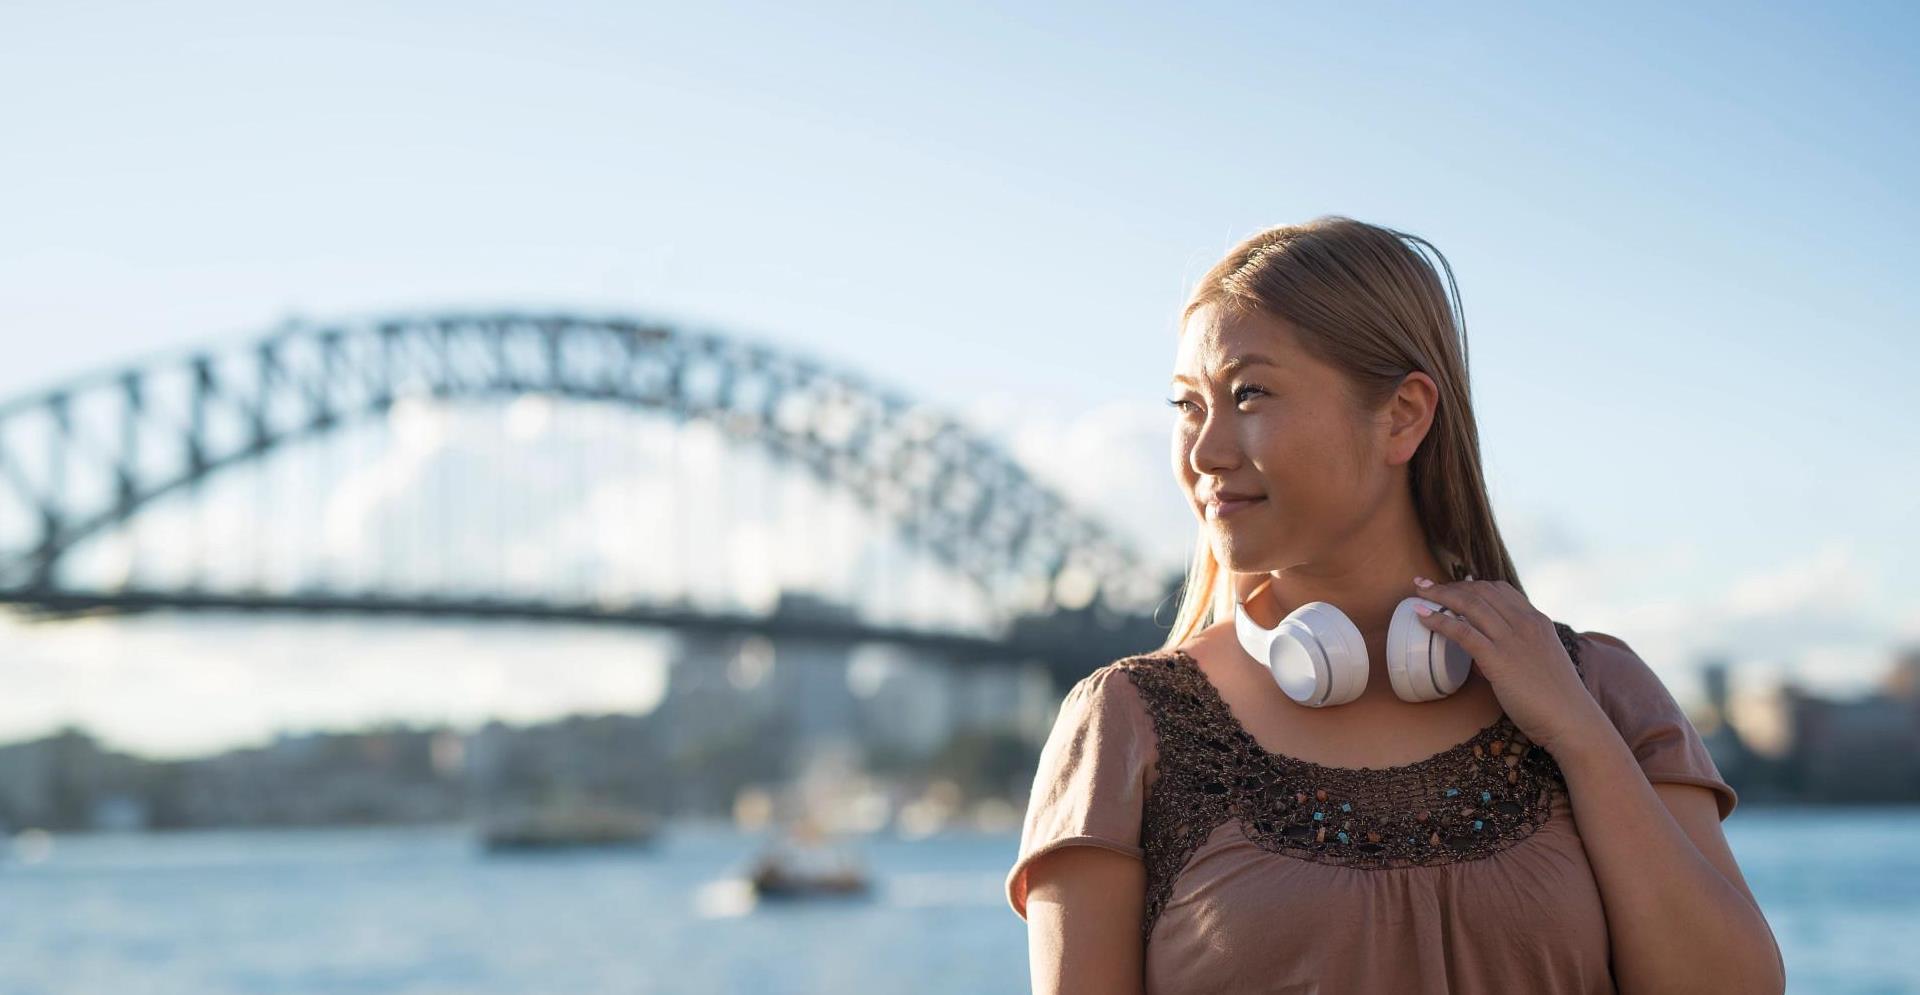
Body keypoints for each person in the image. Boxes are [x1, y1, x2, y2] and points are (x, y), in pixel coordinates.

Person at [1004, 216, 1785, 994]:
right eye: (1187, 406)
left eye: (1248, 393)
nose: (1204, 452)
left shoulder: (1604, 689)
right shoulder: (1127, 725)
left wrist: (1578, 733)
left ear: (1404, 415)